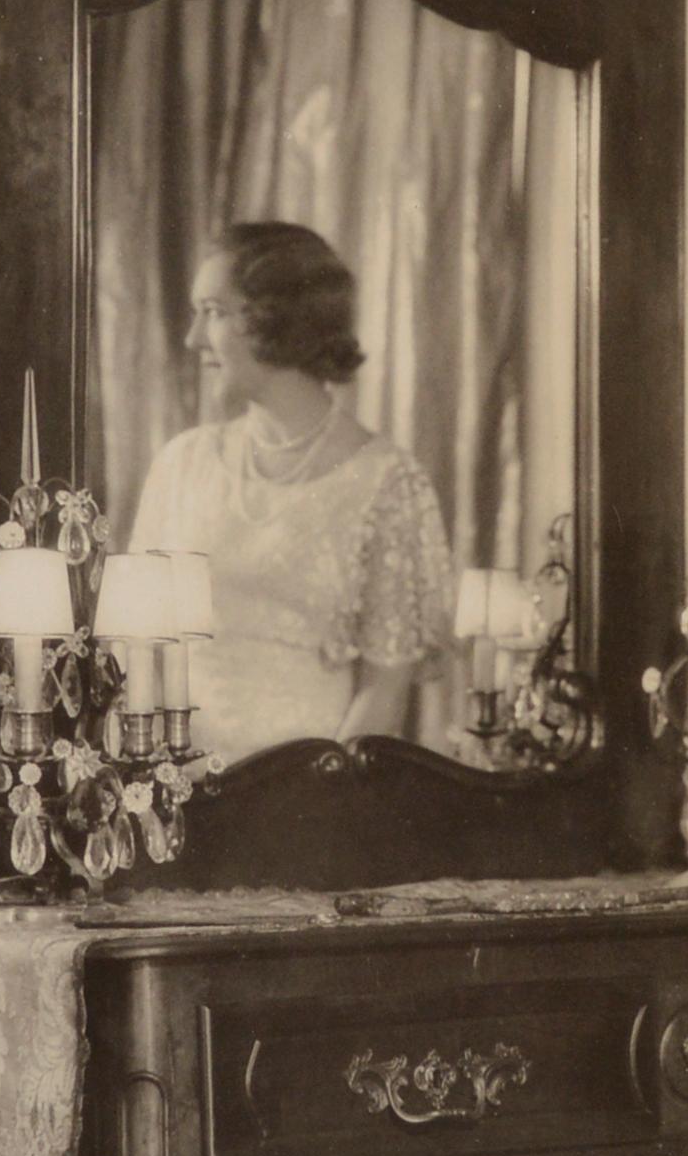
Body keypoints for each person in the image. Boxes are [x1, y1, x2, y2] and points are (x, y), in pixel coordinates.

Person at [129, 220, 453, 764]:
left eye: (213, 313)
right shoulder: (182, 464)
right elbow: (136, 652)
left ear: (276, 319)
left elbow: (385, 691)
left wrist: (318, 814)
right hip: (177, 800)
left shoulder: (386, 482)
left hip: (309, 812)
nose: (192, 339)